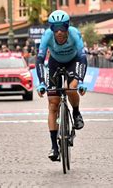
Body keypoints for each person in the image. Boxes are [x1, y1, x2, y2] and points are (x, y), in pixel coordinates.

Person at [35, 10, 88, 162]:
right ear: (51, 28)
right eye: (55, 28)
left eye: (62, 28)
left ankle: (76, 113)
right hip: (55, 63)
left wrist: (81, 80)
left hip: (73, 62)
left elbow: (83, 58)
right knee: (53, 104)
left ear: (67, 27)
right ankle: (54, 147)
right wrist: (41, 83)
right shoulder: (46, 36)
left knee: (71, 87)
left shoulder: (74, 34)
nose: (59, 32)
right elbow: (39, 59)